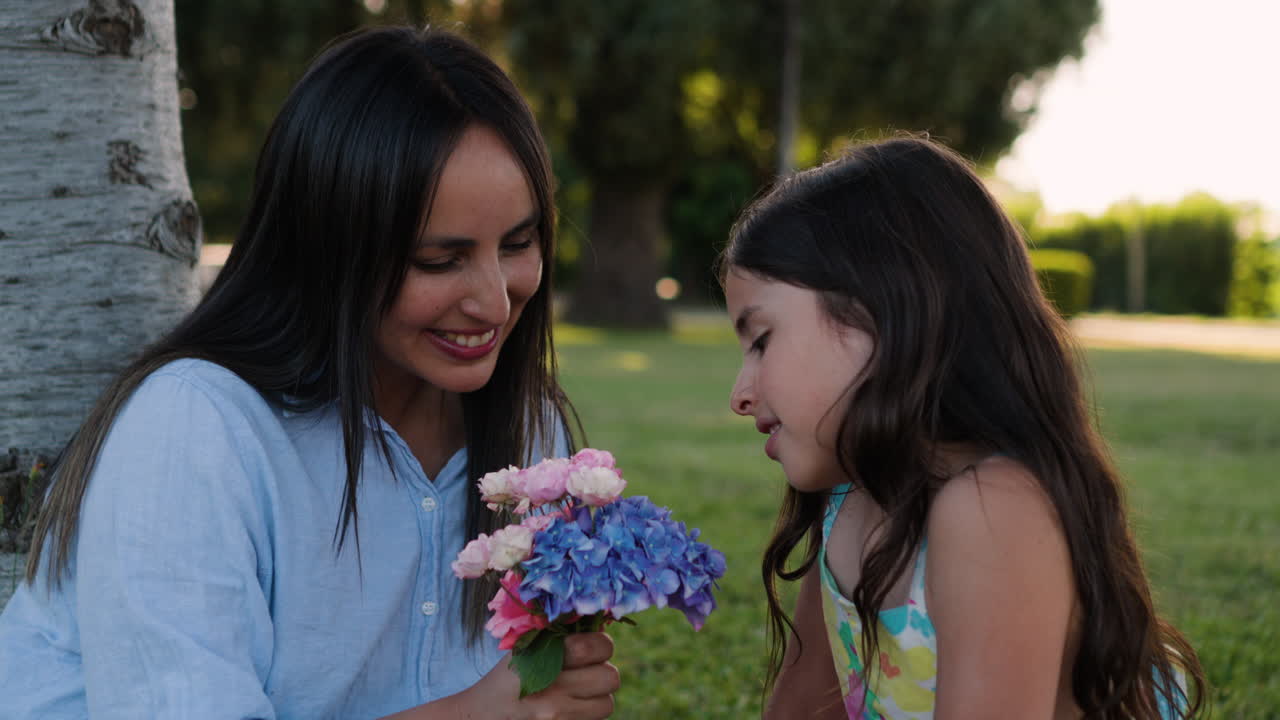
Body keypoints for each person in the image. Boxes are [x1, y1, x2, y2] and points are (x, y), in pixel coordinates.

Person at [0, 26, 619, 720]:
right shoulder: (192, 429)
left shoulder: (528, 430)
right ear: (331, 250)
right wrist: (479, 713)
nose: (495, 302)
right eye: (438, 261)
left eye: (517, 244)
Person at [720, 137, 1205, 719]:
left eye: (761, 340)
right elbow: (801, 707)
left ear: (885, 313)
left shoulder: (993, 508)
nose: (740, 394)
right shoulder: (849, 494)